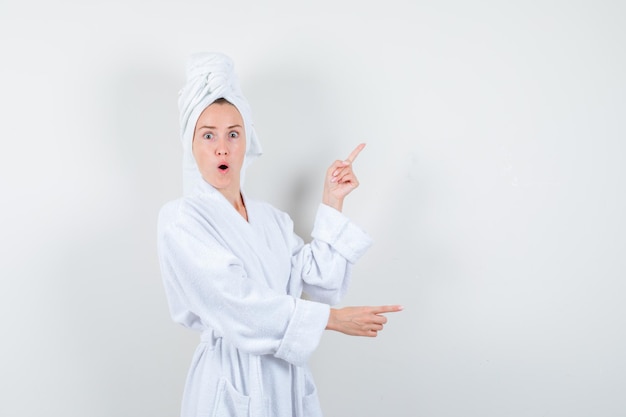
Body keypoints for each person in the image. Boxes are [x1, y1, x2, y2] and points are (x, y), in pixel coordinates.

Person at [157, 52, 402, 417]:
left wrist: (332, 200)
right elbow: (236, 303)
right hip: (230, 383)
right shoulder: (180, 219)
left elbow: (321, 283)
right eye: (208, 135)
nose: (222, 146)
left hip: (285, 382)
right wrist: (334, 320)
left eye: (233, 134)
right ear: (191, 146)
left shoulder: (271, 220)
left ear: (247, 142)